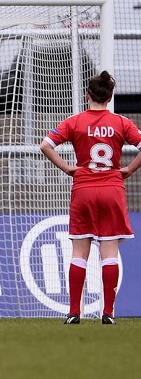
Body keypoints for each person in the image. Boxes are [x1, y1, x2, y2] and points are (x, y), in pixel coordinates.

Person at [40, 70, 141, 325]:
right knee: (108, 253)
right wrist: (129, 169)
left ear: (87, 96)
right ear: (110, 98)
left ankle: (74, 312)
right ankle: (108, 313)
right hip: (111, 189)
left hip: (83, 189)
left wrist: (67, 168)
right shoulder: (121, 122)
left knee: (78, 253)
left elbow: (45, 145)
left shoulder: (74, 121)